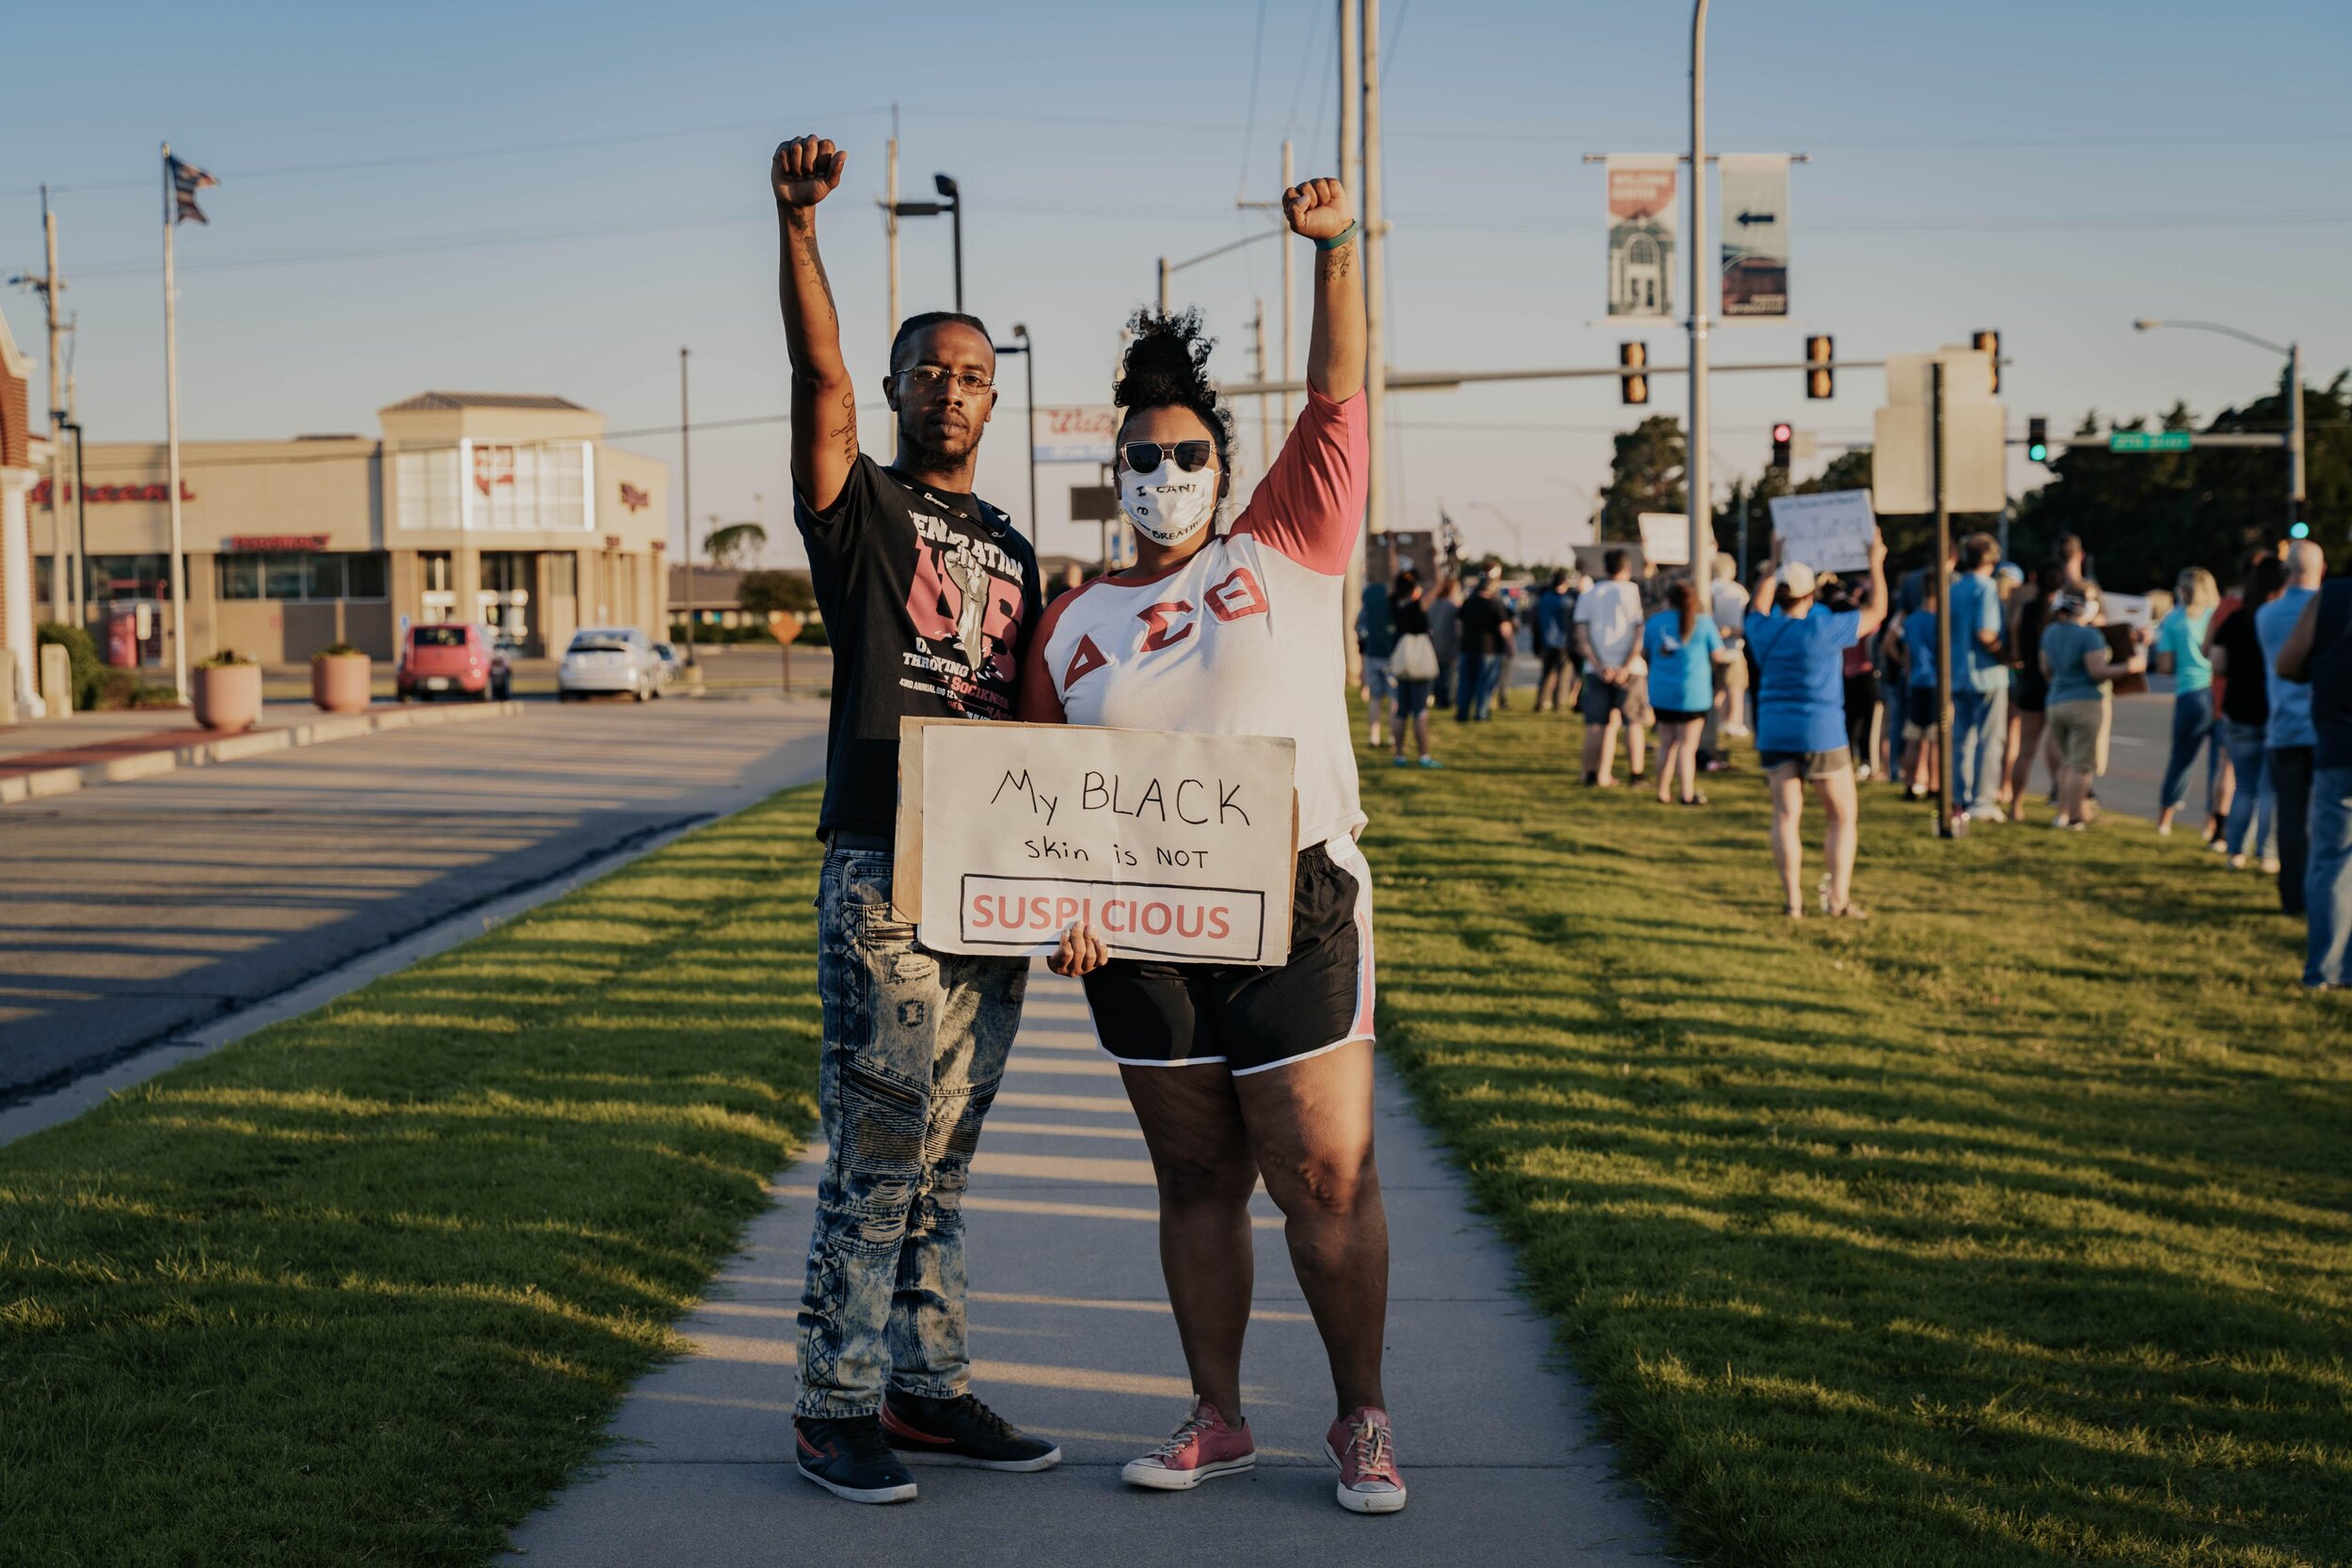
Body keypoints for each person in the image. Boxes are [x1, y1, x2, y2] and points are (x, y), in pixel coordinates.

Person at [1023, 177, 1408, 1514]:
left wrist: (1336, 254)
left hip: (1295, 903)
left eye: (1188, 455)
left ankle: (1360, 1416)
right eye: (1142, 455)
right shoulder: (1070, 628)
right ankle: (1220, 1413)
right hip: (1141, 937)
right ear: (1111, 470)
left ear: (1225, 470)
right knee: (1196, 1173)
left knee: (1323, 1173)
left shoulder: (1289, 543)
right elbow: (1037, 798)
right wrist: (1053, 908)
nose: (1166, 474)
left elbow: (1337, 397)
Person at [770, 134, 1055, 1504]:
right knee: (877, 1142)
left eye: (974, 373)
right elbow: (812, 381)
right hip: (887, 860)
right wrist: (801, 230)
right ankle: (835, 1404)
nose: (951, 387)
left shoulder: (1009, 539)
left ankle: (925, 1387)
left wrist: (1078, 885)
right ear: (893, 389)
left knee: (948, 1151)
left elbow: (1038, 712)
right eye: (928, 368)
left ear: (997, 399)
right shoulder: (860, 508)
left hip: (990, 869)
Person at [1747, 536, 1890, 918]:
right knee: (1841, 817)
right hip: (1822, 731)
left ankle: (1792, 903)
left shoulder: (1761, 630)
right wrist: (1875, 562)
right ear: (1811, 595)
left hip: (1775, 731)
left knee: (1785, 816)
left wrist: (1772, 562)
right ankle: (1838, 900)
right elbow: (1876, 613)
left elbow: (1757, 606)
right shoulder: (1824, 628)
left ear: (1778, 596)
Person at [2274, 562, 2352, 990]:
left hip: (2339, 743)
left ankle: (2326, 970)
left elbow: (2288, 663)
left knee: (2332, 861)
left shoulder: (2333, 597)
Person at [2040, 587, 2149, 830]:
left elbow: (2046, 669)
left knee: (2068, 762)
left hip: (2056, 701)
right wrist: (2131, 666)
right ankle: (2076, 817)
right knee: (2082, 764)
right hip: (2086, 703)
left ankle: (2063, 813)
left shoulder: (2050, 632)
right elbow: (2097, 671)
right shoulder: (2088, 636)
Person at [2259, 541, 2328, 915]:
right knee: (2327, 818)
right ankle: (2323, 892)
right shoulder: (2330, 612)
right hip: (2322, 728)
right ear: (2323, 568)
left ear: (2287, 571)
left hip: (2283, 727)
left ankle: (2292, 898)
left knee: (2290, 818)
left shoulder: (2267, 615)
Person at [2209, 554, 2284, 872]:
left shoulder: (2236, 619)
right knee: (2269, 790)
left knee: (2244, 787)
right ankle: (2266, 854)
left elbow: (2217, 663)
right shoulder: (2278, 620)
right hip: (2271, 711)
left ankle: (2235, 851)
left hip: (2237, 711)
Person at [1643, 578, 1730, 805]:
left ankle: (1662, 791)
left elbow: (1646, 652)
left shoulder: (1654, 622)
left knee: (1666, 743)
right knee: (1687, 746)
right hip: (1694, 694)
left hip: (1661, 692)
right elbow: (1719, 656)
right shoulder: (1703, 623)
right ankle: (1687, 793)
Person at [2153, 566, 2223, 838]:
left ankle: (2165, 819)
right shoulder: (2215, 617)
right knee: (2219, 764)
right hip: (2215, 691)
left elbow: (2164, 665)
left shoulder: (2173, 621)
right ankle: (2212, 823)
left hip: (2189, 693)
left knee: (2181, 760)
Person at [1948, 533, 2010, 825]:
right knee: (1989, 740)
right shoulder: (1986, 588)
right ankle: (1983, 800)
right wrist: (2006, 655)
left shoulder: (1954, 588)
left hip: (1958, 673)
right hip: (1986, 674)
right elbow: (1986, 632)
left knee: (1962, 741)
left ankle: (1958, 798)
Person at [1574, 548, 1647, 785]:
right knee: (1633, 723)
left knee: (1596, 724)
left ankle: (1590, 773)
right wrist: (1625, 666)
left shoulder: (1589, 594)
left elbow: (1582, 637)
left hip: (1596, 670)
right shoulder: (1634, 593)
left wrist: (1598, 665)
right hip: (1631, 668)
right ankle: (1636, 774)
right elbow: (1639, 633)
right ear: (1627, 568)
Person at [2005, 561, 2063, 815]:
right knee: (2057, 744)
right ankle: (2061, 799)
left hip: (2028, 683)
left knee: (2025, 749)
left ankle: (2016, 805)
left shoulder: (2024, 611)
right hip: (2054, 683)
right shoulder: (2058, 615)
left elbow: (2016, 650)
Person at [1387, 568, 1442, 768]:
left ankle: (1399, 754)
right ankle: (1423, 755)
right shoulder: (1418, 606)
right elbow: (1439, 582)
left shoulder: (1394, 604)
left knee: (1401, 710)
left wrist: (1391, 547)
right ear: (1414, 589)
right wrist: (1434, 559)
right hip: (1420, 664)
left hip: (1402, 662)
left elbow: (1393, 578)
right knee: (1420, 710)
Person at [1454, 572, 1513, 722]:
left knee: (1465, 682)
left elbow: (1458, 625)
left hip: (1467, 647)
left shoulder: (1469, 602)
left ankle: (1462, 713)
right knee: (1485, 682)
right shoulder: (1495, 604)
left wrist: (1463, 639)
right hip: (1489, 649)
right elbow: (1504, 627)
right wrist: (1510, 646)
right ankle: (1481, 713)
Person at [1708, 553, 1753, 745]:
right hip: (1734, 646)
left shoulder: (1707, 588)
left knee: (1716, 689)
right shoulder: (1739, 591)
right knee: (1735, 687)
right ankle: (1733, 723)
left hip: (1710, 647)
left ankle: (1712, 720)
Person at [1357, 576, 1396, 748]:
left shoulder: (1369, 593)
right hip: (1391, 654)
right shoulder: (1393, 595)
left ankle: (1374, 736)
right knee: (1394, 699)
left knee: (1375, 698)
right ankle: (1394, 737)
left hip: (1373, 652)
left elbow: (1359, 627)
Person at [1534, 569, 1577, 713]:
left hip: (1547, 641)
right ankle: (1558, 705)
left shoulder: (1544, 599)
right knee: (1563, 676)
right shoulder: (1566, 601)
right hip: (1562, 643)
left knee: (1546, 674)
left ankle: (1540, 703)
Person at [1427, 574, 1462, 711]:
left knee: (1437, 674)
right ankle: (1445, 700)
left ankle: (1436, 697)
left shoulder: (1432, 604)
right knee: (1447, 675)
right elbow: (1457, 628)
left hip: (1433, 644)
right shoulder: (1453, 607)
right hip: (1448, 643)